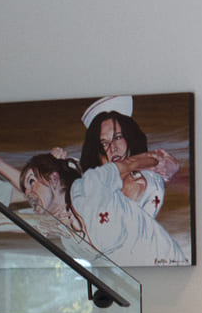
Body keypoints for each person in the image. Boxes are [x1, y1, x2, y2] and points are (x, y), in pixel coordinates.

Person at [18, 152, 186, 266]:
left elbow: (130, 163)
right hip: (142, 282)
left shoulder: (91, 184)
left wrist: (160, 163)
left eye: (32, 182)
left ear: (54, 179)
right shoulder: (68, 241)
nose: (28, 194)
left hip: (169, 261)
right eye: (25, 190)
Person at [78, 96, 177, 219]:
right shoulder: (91, 184)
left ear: (130, 137)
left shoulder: (141, 180)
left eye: (118, 137)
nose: (113, 148)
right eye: (104, 143)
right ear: (95, 152)